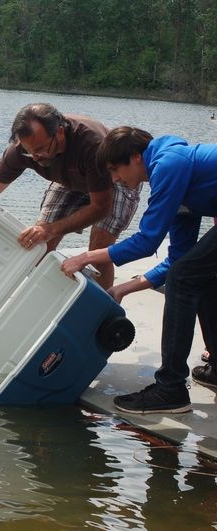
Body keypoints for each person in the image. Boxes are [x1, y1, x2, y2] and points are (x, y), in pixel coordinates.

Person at [61, 126, 217, 414]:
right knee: (195, 274)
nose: (115, 179)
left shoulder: (169, 165)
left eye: (114, 170)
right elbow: (177, 259)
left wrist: (86, 257)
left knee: (187, 277)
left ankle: (170, 388)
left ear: (135, 158)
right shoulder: (178, 178)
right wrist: (122, 289)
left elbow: (147, 241)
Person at [0, 103, 141, 290]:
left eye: (40, 149)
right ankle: (47, 300)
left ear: (60, 133)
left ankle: (103, 312)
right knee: (39, 244)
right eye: (29, 152)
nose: (36, 157)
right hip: (70, 181)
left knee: (99, 248)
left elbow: (101, 207)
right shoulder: (21, 150)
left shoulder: (91, 143)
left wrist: (52, 229)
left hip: (115, 178)